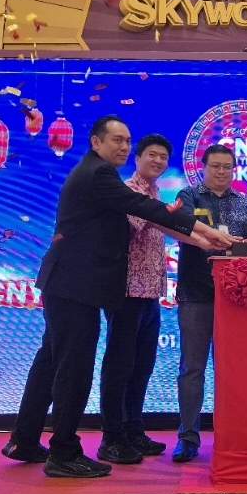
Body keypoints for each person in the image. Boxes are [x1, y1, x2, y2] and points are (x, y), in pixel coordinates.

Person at [4, 116, 234, 478]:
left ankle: (25, 439)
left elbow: (153, 212)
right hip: (76, 286)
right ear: (96, 142)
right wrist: (205, 232)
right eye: (118, 140)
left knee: (51, 362)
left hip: (69, 284)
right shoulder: (100, 175)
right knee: (73, 370)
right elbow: (149, 211)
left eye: (127, 140)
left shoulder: (98, 173)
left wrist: (205, 240)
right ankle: (63, 452)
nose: (124, 147)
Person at [171, 144, 247, 463]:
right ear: (203, 167)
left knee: (234, 369)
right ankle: (188, 436)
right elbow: (180, 225)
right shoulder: (188, 196)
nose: (221, 172)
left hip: (235, 299)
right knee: (192, 368)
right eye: (215, 166)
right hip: (195, 294)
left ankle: (234, 433)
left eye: (227, 167)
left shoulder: (244, 204)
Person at [97, 133, 176, 464]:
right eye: (152, 155)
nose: (158, 161)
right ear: (138, 158)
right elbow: (137, 224)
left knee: (142, 366)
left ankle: (133, 429)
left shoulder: (155, 194)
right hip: (126, 292)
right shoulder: (127, 190)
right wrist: (171, 215)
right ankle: (111, 438)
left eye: (163, 157)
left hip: (151, 294)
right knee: (119, 366)